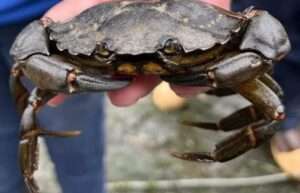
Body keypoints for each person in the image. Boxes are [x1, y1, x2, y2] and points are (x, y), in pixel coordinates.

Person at [1, 1, 210, 192]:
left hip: (54, 7)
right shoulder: (48, 37)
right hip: (66, 34)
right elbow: (27, 54)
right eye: (104, 51)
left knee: (79, 158)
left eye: (170, 49)